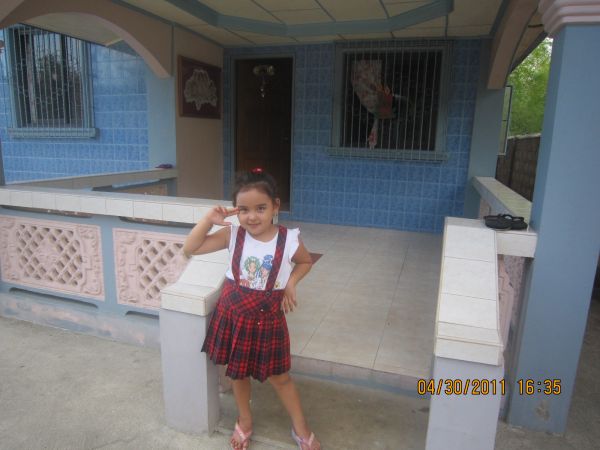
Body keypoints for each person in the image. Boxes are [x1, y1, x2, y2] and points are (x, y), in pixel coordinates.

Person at [183, 168, 321, 450]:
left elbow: (305, 261)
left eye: (261, 208)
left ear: (275, 206)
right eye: (244, 210)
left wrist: (291, 282)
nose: (252, 217)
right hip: (234, 314)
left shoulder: (288, 239)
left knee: (280, 377)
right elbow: (191, 248)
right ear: (236, 210)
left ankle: (301, 427)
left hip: (269, 319)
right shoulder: (233, 235)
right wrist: (208, 220)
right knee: (238, 373)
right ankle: (244, 420)